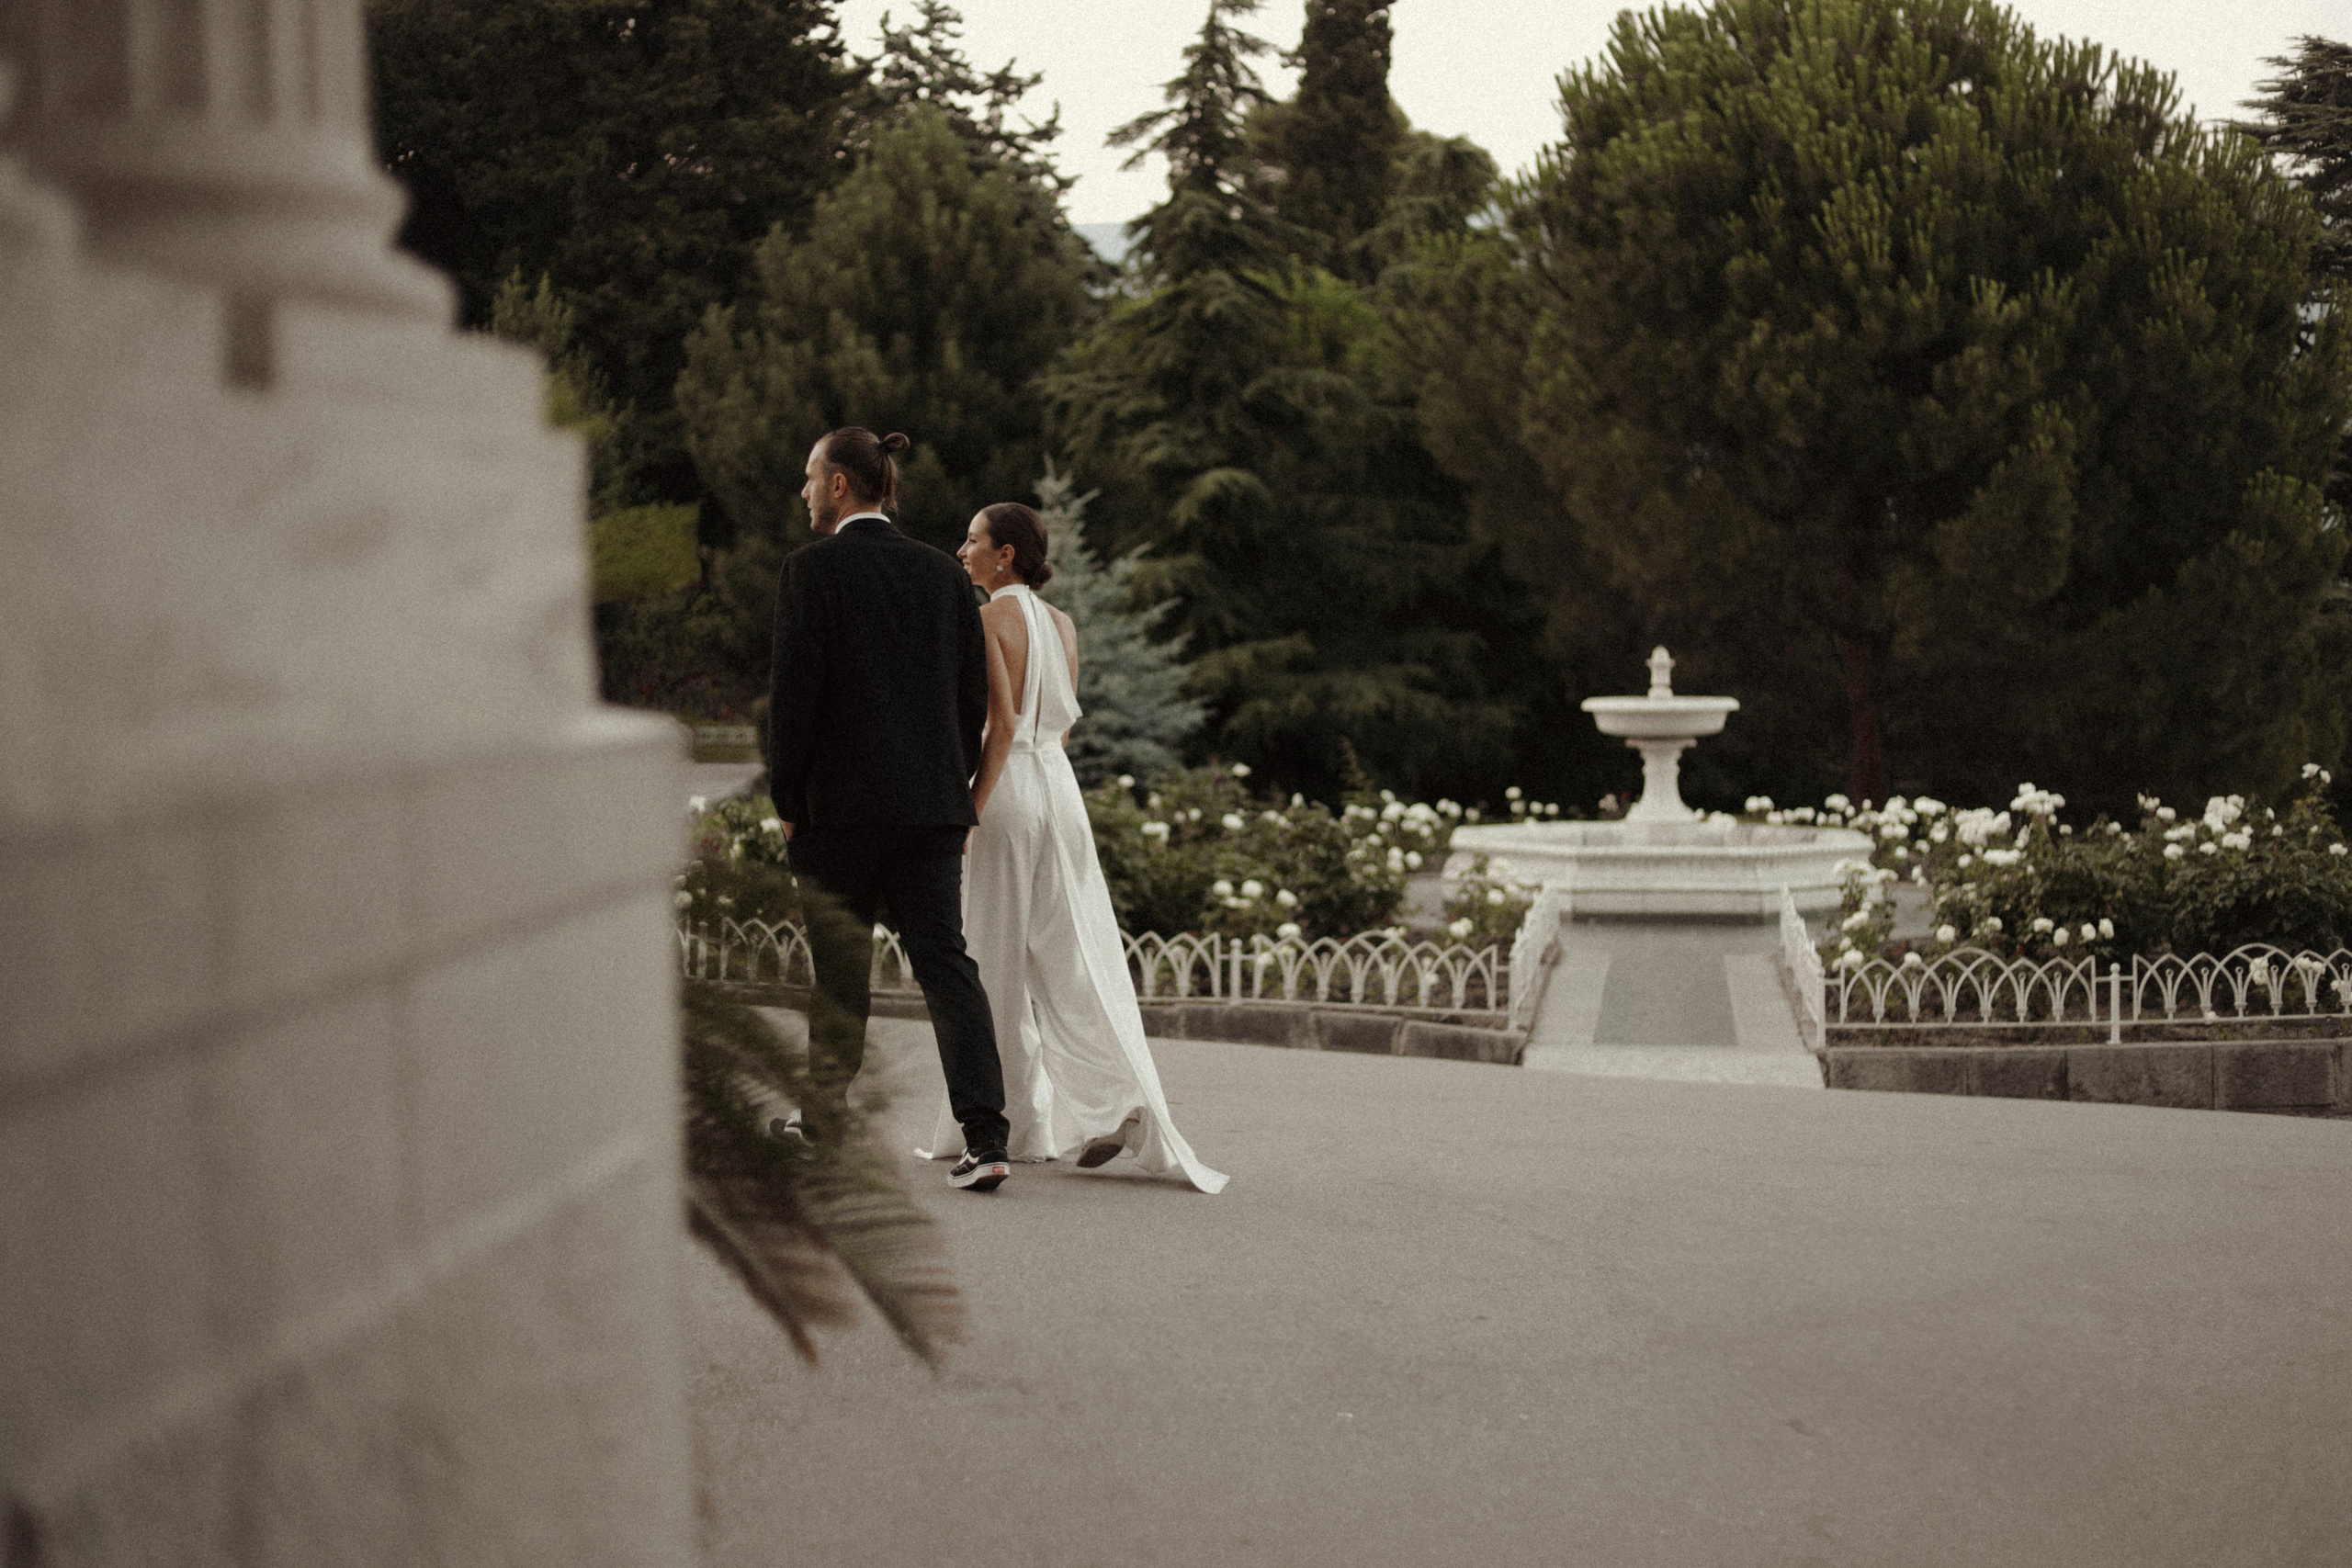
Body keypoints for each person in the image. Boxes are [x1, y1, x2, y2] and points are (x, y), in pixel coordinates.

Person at [919, 502, 1227, 1194]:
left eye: (973, 541)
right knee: (1073, 960)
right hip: (1062, 794)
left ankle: (1005, 1124)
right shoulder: (1063, 625)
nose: (961, 550)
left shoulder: (987, 619)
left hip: (1008, 794)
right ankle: (1116, 1104)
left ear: (1006, 556)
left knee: (990, 959)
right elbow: (1056, 731)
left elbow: (999, 729)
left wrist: (969, 810)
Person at [767, 427, 1013, 1192]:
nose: (804, 490)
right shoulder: (946, 576)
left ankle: (824, 1129)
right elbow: (973, 699)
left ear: (841, 484)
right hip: (929, 810)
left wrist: (788, 799)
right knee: (946, 966)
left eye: (810, 477)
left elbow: (795, 699)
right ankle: (987, 1140)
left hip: (836, 812)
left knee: (838, 975)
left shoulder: (810, 572)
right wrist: (950, 786)